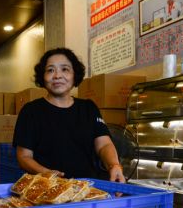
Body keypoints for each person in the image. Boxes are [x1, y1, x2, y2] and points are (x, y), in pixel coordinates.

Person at [13, 48, 126, 183]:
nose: (57, 76)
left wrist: (114, 165)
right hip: (46, 187)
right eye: (50, 70)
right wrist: (47, 174)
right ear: (42, 77)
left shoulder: (89, 108)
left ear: (75, 75)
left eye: (65, 69)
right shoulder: (31, 111)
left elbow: (103, 144)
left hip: (87, 187)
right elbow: (24, 157)